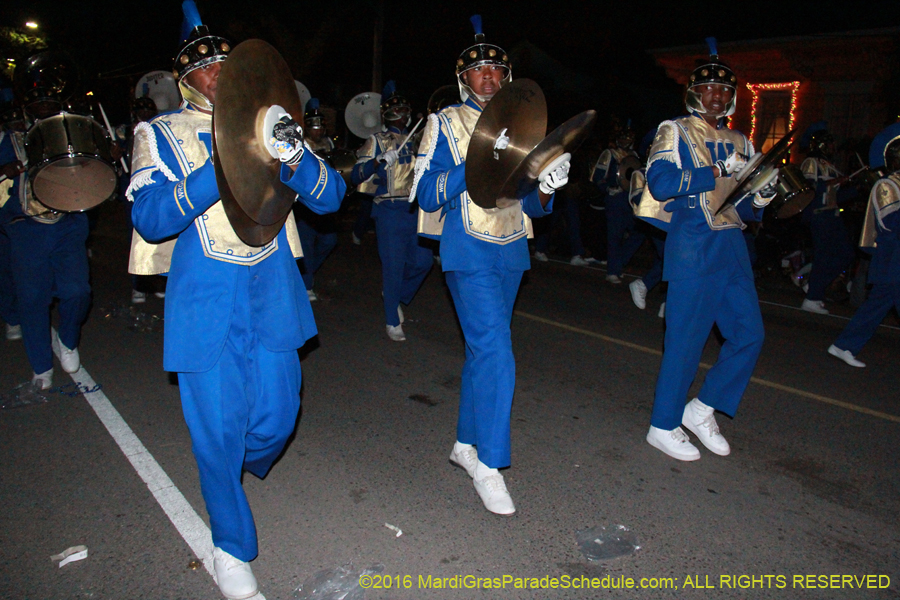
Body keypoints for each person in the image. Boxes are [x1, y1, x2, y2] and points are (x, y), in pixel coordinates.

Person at [127, 4, 345, 598]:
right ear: (184, 80)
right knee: (217, 430)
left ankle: (236, 469)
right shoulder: (159, 133)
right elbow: (148, 218)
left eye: (227, 61)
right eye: (205, 67)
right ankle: (230, 545)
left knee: (277, 415)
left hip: (272, 287)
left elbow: (332, 198)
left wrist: (295, 155)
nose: (219, 72)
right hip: (205, 296)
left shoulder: (272, 122)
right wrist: (217, 168)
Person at [412, 15, 566, 515]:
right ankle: (491, 464)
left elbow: (531, 204)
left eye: (497, 70)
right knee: (498, 352)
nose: (490, 77)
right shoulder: (444, 122)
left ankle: (464, 445)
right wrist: (478, 159)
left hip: (512, 248)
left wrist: (548, 185)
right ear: (464, 78)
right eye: (480, 70)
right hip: (467, 249)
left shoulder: (525, 126)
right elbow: (426, 191)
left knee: (484, 353)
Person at [638, 38, 777, 461]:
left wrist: (764, 196)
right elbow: (660, 184)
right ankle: (662, 425)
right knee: (686, 342)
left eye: (724, 90)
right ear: (694, 93)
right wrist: (716, 169)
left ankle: (701, 408)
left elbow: (746, 208)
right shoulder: (674, 129)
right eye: (709, 88)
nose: (717, 95)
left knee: (749, 335)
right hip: (693, 244)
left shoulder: (741, 139)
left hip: (731, 245)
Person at [0, 71, 90, 390]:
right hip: (26, 228)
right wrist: (4, 169)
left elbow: (93, 172)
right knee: (32, 299)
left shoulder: (73, 132)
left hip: (67, 224)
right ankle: (41, 366)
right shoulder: (9, 138)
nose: (43, 107)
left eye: (49, 102)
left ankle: (68, 340)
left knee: (77, 291)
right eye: (37, 102)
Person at [352, 81, 432, 341]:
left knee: (423, 261)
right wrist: (378, 161)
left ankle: (395, 295)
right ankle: (391, 320)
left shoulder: (418, 139)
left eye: (405, 109)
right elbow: (355, 174)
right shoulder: (376, 141)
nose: (403, 114)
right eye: (397, 109)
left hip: (414, 209)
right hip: (388, 209)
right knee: (393, 266)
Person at [827, 123, 900, 367]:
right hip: (893, 258)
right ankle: (843, 345)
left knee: (875, 308)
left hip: (894, 262)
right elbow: (890, 222)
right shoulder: (887, 185)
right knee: (877, 306)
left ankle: (843, 345)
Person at [798, 122, 858, 314]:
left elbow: (835, 197)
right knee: (825, 256)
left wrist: (857, 189)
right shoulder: (811, 163)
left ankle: (814, 284)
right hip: (819, 216)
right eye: (830, 143)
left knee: (846, 254)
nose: (833, 147)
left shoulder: (830, 166)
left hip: (832, 215)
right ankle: (813, 295)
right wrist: (836, 182)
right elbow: (811, 189)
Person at [293, 98, 339, 301]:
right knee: (306, 242)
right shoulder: (301, 144)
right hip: (306, 202)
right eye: (314, 126)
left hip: (324, 200)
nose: (318, 130)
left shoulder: (329, 143)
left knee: (329, 240)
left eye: (321, 125)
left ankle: (306, 272)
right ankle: (307, 284)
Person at [591, 122, 644, 283]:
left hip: (630, 199)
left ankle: (618, 263)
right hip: (615, 198)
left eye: (628, 138)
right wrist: (608, 189)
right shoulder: (610, 154)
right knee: (615, 235)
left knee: (640, 232)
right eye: (623, 137)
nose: (625, 140)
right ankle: (612, 271)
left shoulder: (634, 156)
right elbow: (597, 177)